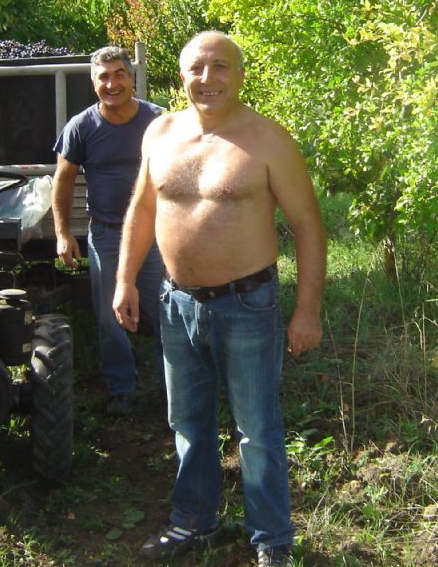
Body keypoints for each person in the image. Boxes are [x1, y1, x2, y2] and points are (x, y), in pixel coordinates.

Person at [113, 32, 327, 567]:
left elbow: (308, 228)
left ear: (241, 74)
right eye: (196, 68)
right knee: (186, 422)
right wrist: (123, 280)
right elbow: (142, 210)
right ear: (179, 75)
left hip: (247, 306)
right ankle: (194, 520)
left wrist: (306, 311)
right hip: (175, 303)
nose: (207, 79)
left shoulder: (269, 140)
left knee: (257, 430)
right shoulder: (159, 133)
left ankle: (272, 541)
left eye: (220, 67)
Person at [52, 46, 165, 416]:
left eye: (119, 74)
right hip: (106, 234)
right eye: (104, 77)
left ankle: (175, 386)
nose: (112, 83)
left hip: (153, 232)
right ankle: (122, 387)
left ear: (131, 77)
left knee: (165, 308)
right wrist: (64, 233)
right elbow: (63, 180)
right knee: (109, 314)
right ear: (93, 82)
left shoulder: (158, 120)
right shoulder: (81, 127)